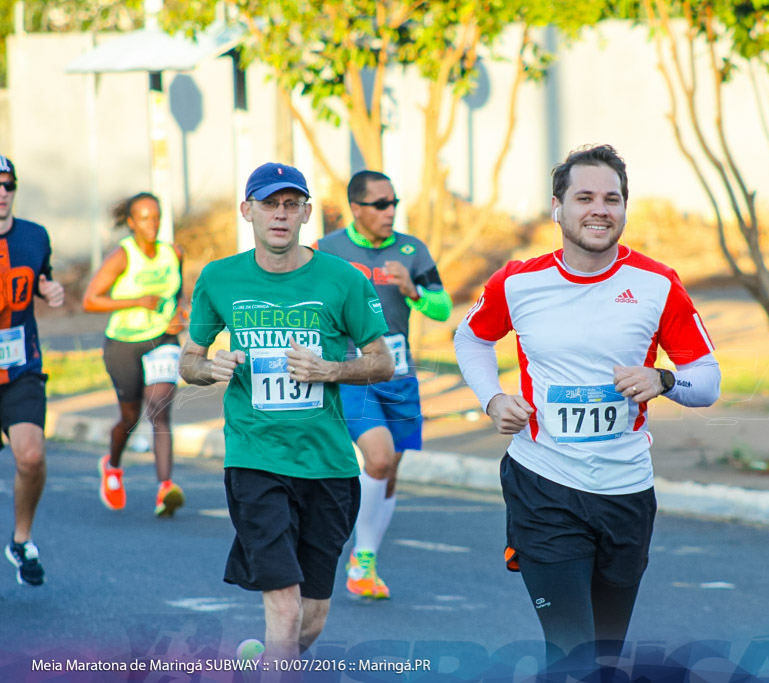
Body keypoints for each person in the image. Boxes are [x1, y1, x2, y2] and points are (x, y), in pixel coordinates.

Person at [453, 144, 720, 673]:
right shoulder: (518, 282)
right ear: (558, 207)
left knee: (603, 656)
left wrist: (662, 379)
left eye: (612, 198)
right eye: (585, 197)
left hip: (626, 492)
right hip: (543, 484)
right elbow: (471, 338)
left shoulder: (656, 284)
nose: (600, 209)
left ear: (625, 207)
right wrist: (493, 399)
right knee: (573, 650)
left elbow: (707, 381)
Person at [179, 162, 393, 663]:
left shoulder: (342, 279)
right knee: (286, 609)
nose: (280, 214)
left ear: (307, 213)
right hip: (255, 458)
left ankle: (271, 664)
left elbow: (382, 362)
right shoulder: (219, 278)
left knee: (312, 616)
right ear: (247, 210)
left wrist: (329, 371)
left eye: (291, 204)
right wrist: (211, 367)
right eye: (270, 203)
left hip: (328, 464)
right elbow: (189, 361)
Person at [315, 170, 452, 600]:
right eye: (380, 205)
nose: (390, 212)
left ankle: (364, 558)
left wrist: (413, 290)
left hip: (399, 375)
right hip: (353, 373)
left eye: (394, 203)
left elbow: (443, 306)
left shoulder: (412, 250)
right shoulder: (326, 250)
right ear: (357, 208)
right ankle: (357, 555)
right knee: (377, 458)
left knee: (390, 469)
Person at [83, 192, 187, 517]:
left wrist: (179, 314)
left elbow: (178, 293)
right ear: (131, 222)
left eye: (156, 217)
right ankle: (112, 466)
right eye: (144, 218)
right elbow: (91, 300)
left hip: (162, 339)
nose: (152, 224)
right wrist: (136, 301)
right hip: (123, 343)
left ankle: (165, 489)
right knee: (130, 418)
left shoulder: (173, 253)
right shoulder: (122, 256)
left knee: (159, 409)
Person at [0, 154, 64, 586]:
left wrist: (49, 288)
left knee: (32, 456)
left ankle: (21, 540)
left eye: (7, 185)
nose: (1, 193)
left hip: (22, 366)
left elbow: (41, 277)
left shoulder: (36, 235)